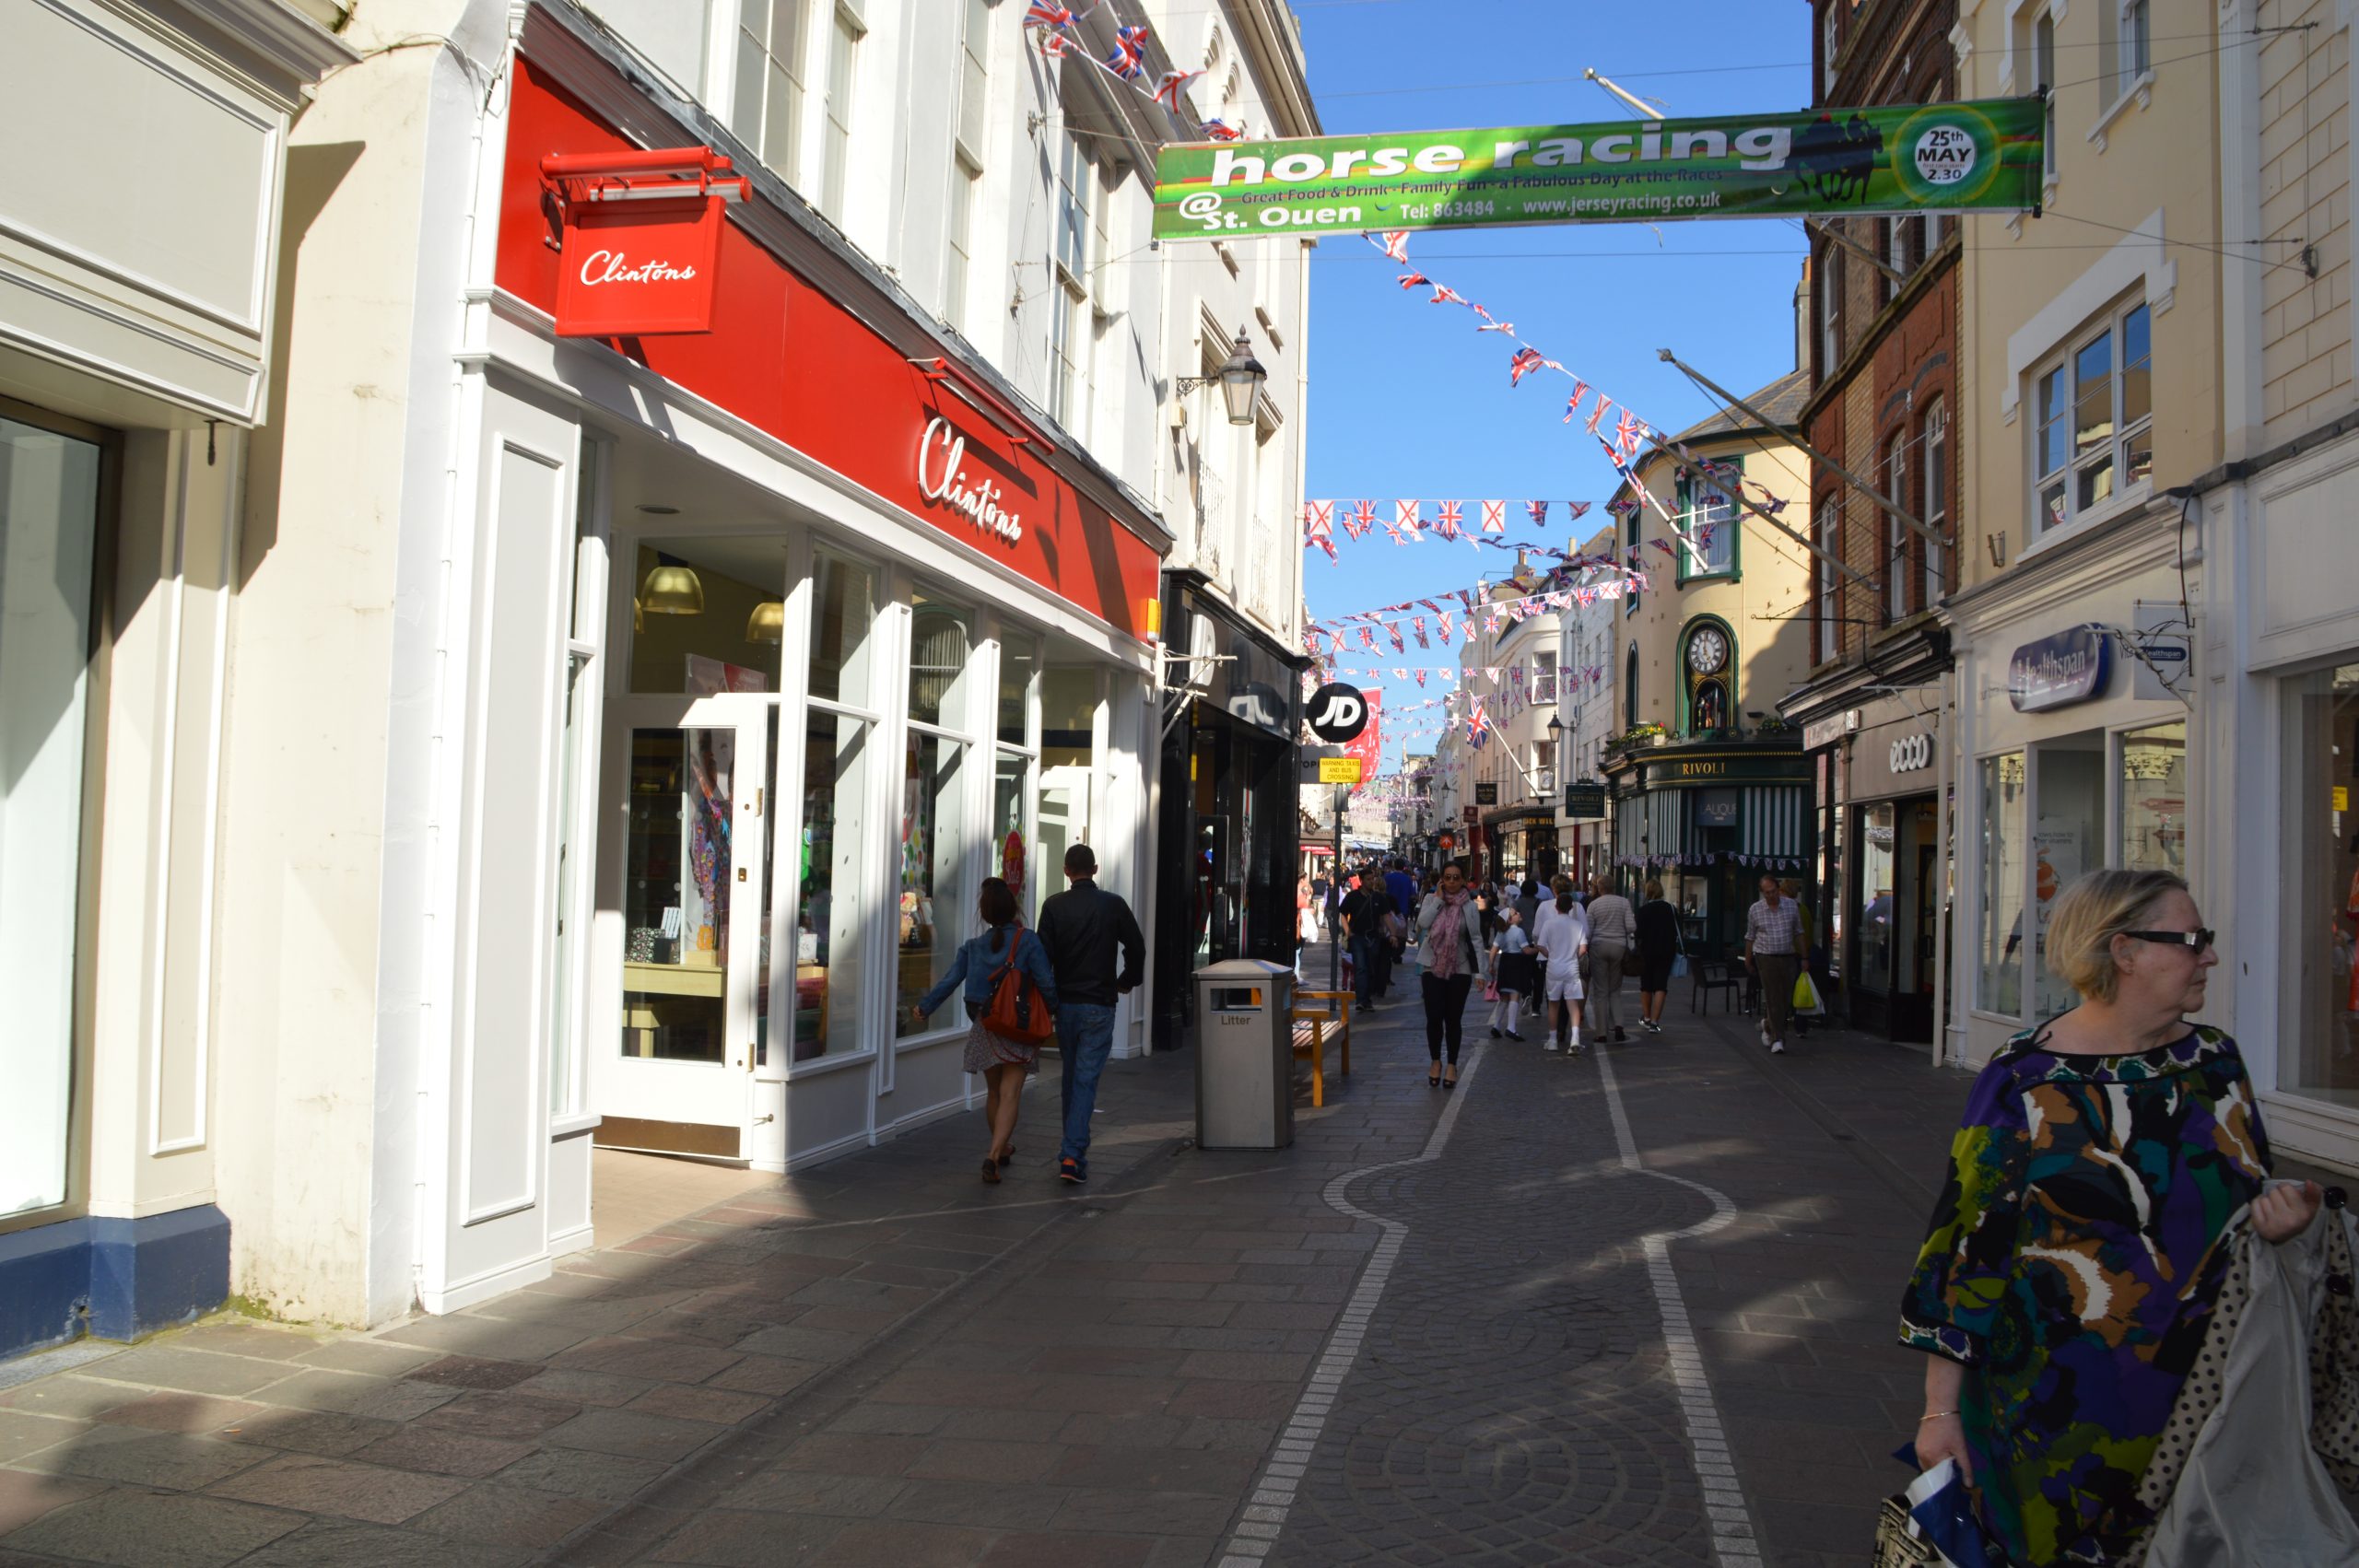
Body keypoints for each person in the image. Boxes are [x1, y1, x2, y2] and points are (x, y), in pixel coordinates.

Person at [1903, 869, 2315, 1566]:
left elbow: (2249, 1194)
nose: (2209, 955)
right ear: (2123, 952)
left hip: (2207, 1406)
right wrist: (1940, 1413)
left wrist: (2281, 1217)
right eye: (2192, 940)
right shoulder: (2025, 1078)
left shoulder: (2213, 1063)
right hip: (2057, 1422)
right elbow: (1966, 1253)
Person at [913, 878, 1058, 1185]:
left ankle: (1001, 1148)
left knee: (993, 1092)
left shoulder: (973, 947)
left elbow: (949, 981)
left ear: (985, 913)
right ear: (1014, 908)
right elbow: (1045, 981)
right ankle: (994, 1154)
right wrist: (1054, 1009)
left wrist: (925, 1007)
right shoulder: (1028, 941)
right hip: (1018, 1026)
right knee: (1011, 1093)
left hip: (986, 1025)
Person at [1034, 844, 1145, 1185]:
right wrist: (1126, 980)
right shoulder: (1112, 905)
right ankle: (1072, 1154)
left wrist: (1050, 999)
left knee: (1072, 1077)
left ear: (1067, 870)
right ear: (1094, 869)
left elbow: (1042, 958)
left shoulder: (1053, 906)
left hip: (1066, 1004)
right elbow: (1136, 946)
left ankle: (1071, 1149)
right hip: (1099, 1002)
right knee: (1084, 1079)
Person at [1412, 861, 1485, 1089]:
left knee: (1453, 1018)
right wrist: (1439, 900)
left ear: (1463, 880)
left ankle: (1451, 1064)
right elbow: (1422, 924)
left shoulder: (1470, 906)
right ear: (1442, 879)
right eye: (1448, 877)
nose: (1452, 881)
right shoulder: (1431, 900)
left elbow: (1476, 938)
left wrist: (1480, 971)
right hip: (1431, 966)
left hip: (1459, 967)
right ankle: (1436, 1062)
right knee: (1434, 1017)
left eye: (1456, 877)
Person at [1743, 874, 1802, 1056]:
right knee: (1773, 997)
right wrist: (1748, 959)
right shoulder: (1755, 910)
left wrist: (1805, 957)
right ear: (1762, 893)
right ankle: (1778, 1039)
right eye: (1767, 893)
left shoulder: (1791, 906)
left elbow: (1799, 932)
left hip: (1788, 956)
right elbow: (1750, 936)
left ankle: (1768, 1024)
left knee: (1785, 998)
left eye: (1774, 891)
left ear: (1779, 889)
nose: (1771, 896)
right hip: (1765, 956)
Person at [1531, 874, 1590, 1054]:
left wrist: (1551, 954)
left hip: (1552, 965)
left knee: (1553, 1003)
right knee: (1572, 1003)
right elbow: (1585, 944)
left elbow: (1537, 938)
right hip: (1571, 966)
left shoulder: (1546, 914)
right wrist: (1573, 954)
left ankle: (1553, 1038)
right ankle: (1575, 1038)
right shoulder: (1577, 916)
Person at [1583, 875, 1637, 1044]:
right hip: (1619, 946)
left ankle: (1601, 1032)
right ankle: (1619, 1025)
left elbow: (1588, 931)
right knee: (1615, 989)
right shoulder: (1624, 902)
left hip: (1599, 946)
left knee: (1600, 991)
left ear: (1599, 888)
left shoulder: (1593, 905)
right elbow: (1631, 927)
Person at [1339, 867, 1395, 1012]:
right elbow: (1343, 914)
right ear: (1362, 880)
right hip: (1357, 937)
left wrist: (1393, 934)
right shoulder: (1352, 896)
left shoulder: (1378, 897)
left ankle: (1367, 999)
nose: (1372, 882)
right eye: (1369, 879)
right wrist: (1347, 931)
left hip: (1373, 937)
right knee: (1360, 968)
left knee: (1371, 968)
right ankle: (1361, 1000)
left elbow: (1386, 916)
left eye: (1373, 879)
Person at [1633, 880, 1681, 1036]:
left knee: (1646, 984)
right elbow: (1678, 928)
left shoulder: (1643, 910)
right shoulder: (1671, 909)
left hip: (1647, 951)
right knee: (1661, 985)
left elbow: (1638, 933)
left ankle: (1646, 1017)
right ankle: (1655, 1022)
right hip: (1666, 950)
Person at [1486, 906, 1532, 1041]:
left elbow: (1494, 950)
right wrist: (1539, 948)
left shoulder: (1501, 932)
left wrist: (1491, 966)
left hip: (1504, 963)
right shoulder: (1519, 932)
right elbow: (1526, 951)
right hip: (1516, 963)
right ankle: (1511, 1028)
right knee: (1515, 995)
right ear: (1510, 919)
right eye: (1515, 913)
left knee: (1504, 996)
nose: (1519, 913)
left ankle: (1496, 1026)